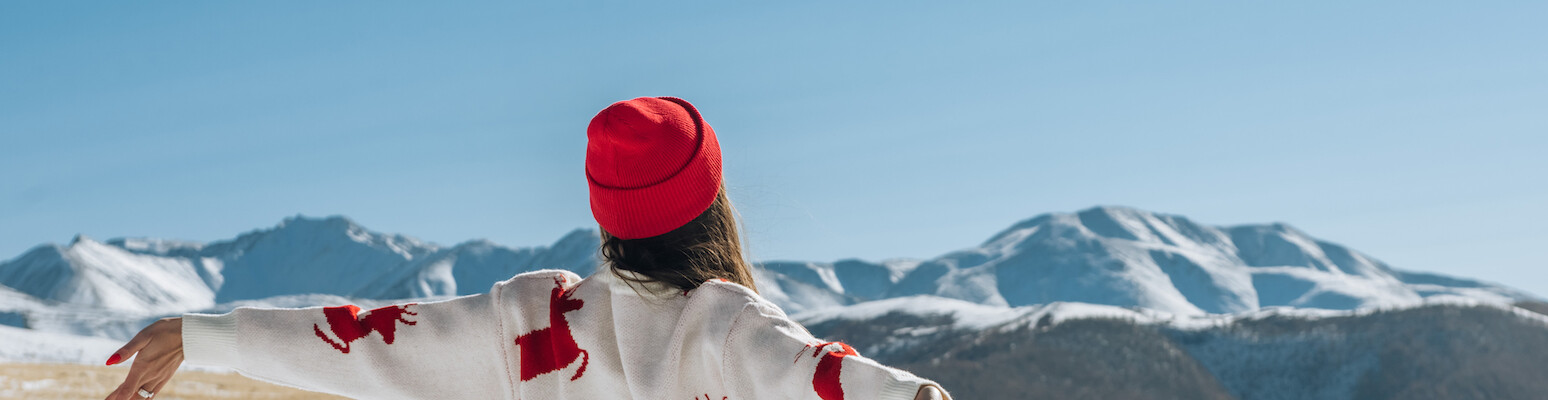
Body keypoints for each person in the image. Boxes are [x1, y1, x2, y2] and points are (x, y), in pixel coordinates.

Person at [104, 97, 951, 400]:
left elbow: (364, 342)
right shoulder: (730, 330)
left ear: (605, 213)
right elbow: (832, 378)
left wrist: (203, 335)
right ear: (712, 205)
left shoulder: (530, 321)